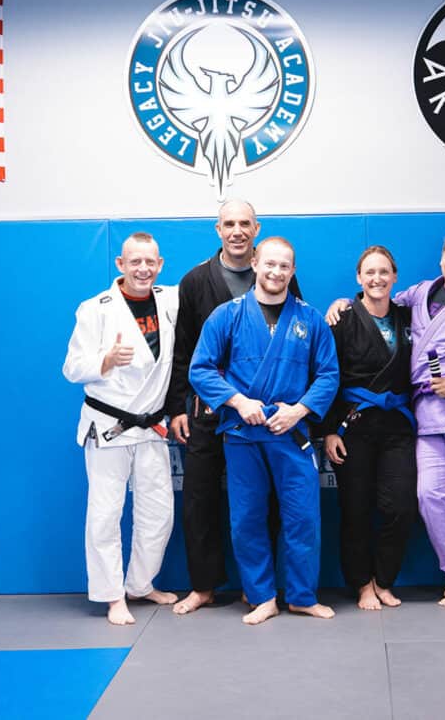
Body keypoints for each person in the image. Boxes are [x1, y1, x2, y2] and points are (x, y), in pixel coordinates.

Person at [330, 221, 445, 607]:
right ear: (442, 256)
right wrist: (344, 304)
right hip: (429, 414)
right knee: (429, 495)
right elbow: (377, 302)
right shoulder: (418, 295)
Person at [190, 237, 339, 625]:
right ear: (255, 263)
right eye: (270, 264)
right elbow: (200, 369)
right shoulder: (226, 316)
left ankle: (302, 596)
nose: (276, 272)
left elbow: (328, 374)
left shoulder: (310, 319)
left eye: (284, 266)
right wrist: (239, 401)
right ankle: (262, 597)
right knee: (247, 519)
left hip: (291, 433)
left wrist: (299, 410)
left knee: (303, 518)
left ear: (293, 271)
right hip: (244, 434)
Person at [166, 200, 299, 616]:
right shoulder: (195, 281)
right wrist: (178, 407)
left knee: (264, 499)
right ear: (218, 229)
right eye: (229, 224)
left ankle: (258, 588)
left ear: (256, 229)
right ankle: (203, 586)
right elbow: (183, 350)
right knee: (200, 497)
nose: (237, 230)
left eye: (244, 223)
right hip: (211, 407)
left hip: (263, 412)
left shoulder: (279, 274)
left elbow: (297, 336)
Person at [62, 232, 179, 625]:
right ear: (120, 264)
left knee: (159, 513)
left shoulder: (170, 299)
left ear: (160, 265)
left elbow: (215, 278)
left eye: (150, 262)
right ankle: (112, 595)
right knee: (105, 514)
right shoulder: (95, 309)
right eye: (135, 262)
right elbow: (71, 368)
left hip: (151, 426)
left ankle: (140, 584)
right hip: (108, 426)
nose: (143, 269)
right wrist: (106, 360)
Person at [321, 246, 417, 610]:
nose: (377, 278)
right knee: (355, 508)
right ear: (359, 278)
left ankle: (384, 579)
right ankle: (362, 583)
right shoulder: (342, 320)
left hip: (397, 425)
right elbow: (327, 376)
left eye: (384, 272)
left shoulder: (408, 316)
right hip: (354, 425)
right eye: (370, 272)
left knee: (401, 506)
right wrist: (329, 430)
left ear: (395, 277)